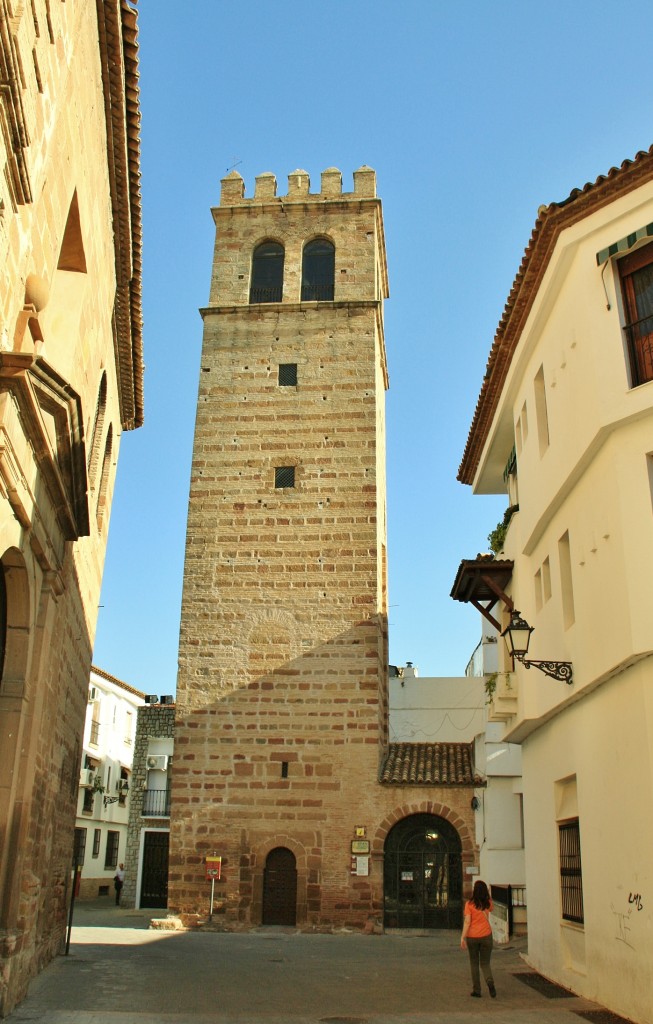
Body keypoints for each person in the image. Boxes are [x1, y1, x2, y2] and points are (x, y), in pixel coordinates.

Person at [460, 879, 496, 999]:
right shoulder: (488, 903)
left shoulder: (469, 904)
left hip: (472, 937)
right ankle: (489, 981)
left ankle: (477, 990)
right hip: (486, 935)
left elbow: (467, 921)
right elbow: (492, 909)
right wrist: (488, 896)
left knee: (474, 963)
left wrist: (463, 937)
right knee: (485, 963)